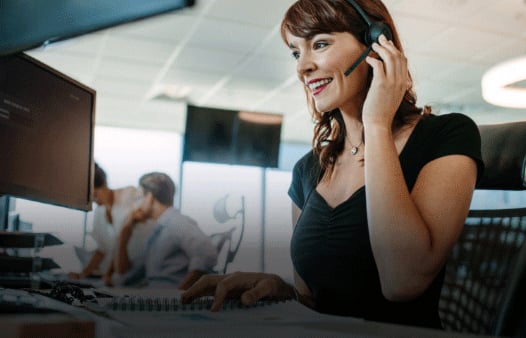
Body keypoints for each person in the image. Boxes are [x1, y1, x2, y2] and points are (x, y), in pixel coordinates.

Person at [182, 0, 483, 329]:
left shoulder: (447, 134)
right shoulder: (307, 169)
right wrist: (280, 290)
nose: (302, 68)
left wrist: (377, 125)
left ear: (376, 43)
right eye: (296, 52)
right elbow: (313, 299)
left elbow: (403, 282)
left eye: (320, 44)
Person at [112, 172, 218, 289]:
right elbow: (126, 275)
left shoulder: (177, 222)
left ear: (150, 197)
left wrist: (178, 297)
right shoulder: (158, 231)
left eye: (139, 198)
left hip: (169, 301)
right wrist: (124, 235)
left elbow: (207, 255)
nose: (137, 205)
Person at [68, 162, 155, 285]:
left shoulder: (130, 194)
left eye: (95, 194)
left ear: (104, 184)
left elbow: (125, 238)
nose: (94, 200)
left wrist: (109, 274)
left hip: (140, 268)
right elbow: (102, 250)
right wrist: (83, 274)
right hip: (119, 274)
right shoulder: (99, 213)